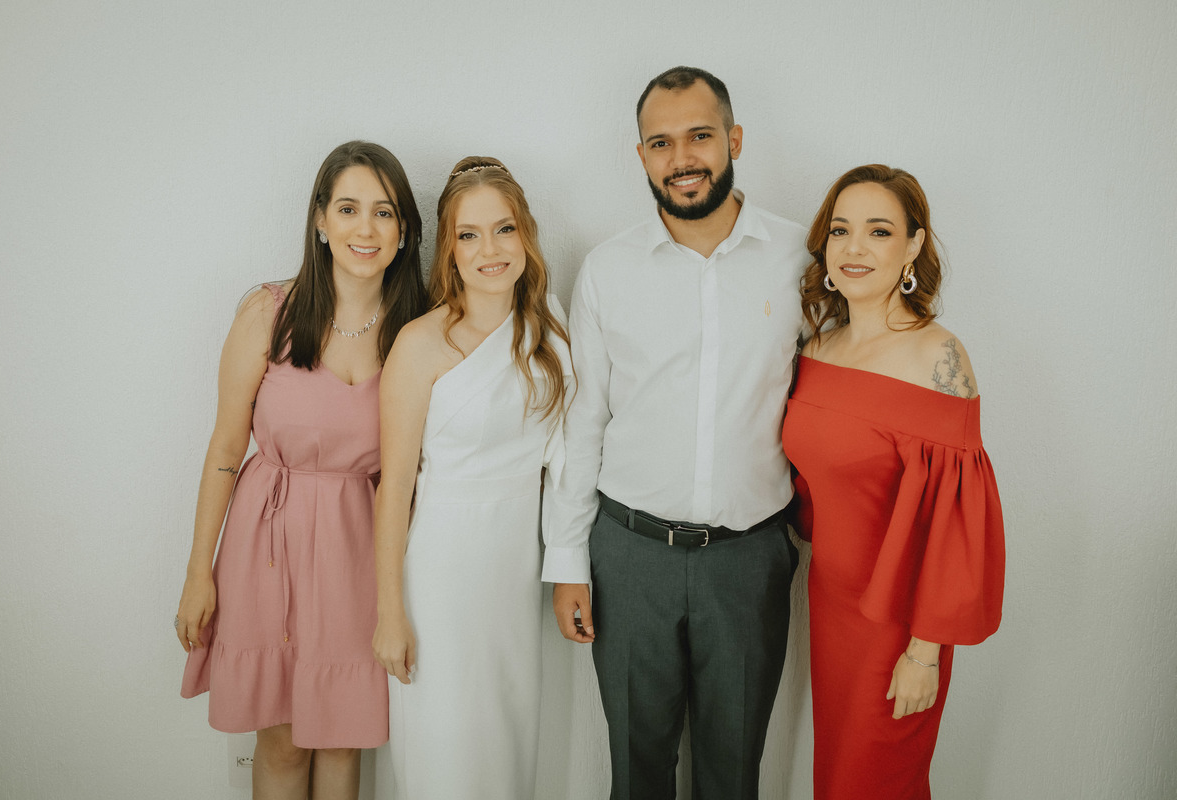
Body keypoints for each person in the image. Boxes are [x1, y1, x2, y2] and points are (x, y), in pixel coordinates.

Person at [544, 66, 805, 799]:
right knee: (637, 773)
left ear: (734, 140)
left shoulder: (800, 260)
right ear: (641, 156)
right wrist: (567, 560)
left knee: (733, 775)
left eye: (700, 136)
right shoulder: (607, 270)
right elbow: (584, 420)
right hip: (628, 559)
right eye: (661, 143)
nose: (682, 158)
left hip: (750, 559)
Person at [176, 140, 428, 800]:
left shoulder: (419, 332)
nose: (365, 228)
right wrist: (198, 571)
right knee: (283, 737)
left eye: (383, 212)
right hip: (267, 543)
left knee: (343, 734)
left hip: (358, 551)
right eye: (348, 208)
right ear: (320, 220)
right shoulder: (269, 312)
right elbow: (225, 448)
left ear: (404, 230)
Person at [782, 164, 1006, 799]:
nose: (855, 248)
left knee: (877, 782)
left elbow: (955, 524)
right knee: (837, 778)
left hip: (900, 625)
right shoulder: (817, 351)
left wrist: (924, 652)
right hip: (832, 607)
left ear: (913, 245)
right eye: (841, 230)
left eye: (878, 231)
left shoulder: (938, 357)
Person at [371, 156, 571, 799]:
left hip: (513, 567)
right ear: (450, 251)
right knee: (448, 749)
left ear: (525, 235)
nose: (490, 249)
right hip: (441, 572)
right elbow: (394, 489)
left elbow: (569, 458)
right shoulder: (420, 343)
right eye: (469, 234)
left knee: (506, 742)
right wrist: (390, 613)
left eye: (504, 229)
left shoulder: (550, 330)